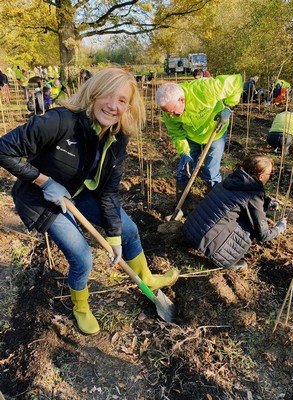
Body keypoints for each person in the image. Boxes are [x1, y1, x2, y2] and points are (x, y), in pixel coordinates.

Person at [0, 67, 179, 335]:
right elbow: (4, 149)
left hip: (80, 191)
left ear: (129, 107)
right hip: (41, 197)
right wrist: (44, 181)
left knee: (128, 230)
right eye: (107, 95)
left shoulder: (118, 138)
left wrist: (115, 238)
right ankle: (81, 307)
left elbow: (108, 191)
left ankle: (146, 278)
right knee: (82, 257)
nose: (112, 105)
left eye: (122, 100)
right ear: (93, 94)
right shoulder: (60, 122)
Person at [183, 154, 287, 272]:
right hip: (205, 243)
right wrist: (279, 228)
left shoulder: (232, 179)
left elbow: (240, 202)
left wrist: (266, 202)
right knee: (250, 223)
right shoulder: (253, 193)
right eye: (271, 174)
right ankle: (223, 259)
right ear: (261, 176)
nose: (271, 176)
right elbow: (263, 235)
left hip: (190, 231)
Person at [155, 75, 243, 204]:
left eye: (173, 112)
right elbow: (176, 133)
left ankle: (215, 204)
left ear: (181, 99)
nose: (170, 116)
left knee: (211, 172)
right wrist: (184, 153)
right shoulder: (168, 111)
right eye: (167, 113)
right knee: (184, 170)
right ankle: (182, 206)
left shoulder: (204, 90)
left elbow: (236, 81)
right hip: (191, 136)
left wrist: (229, 106)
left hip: (215, 132)